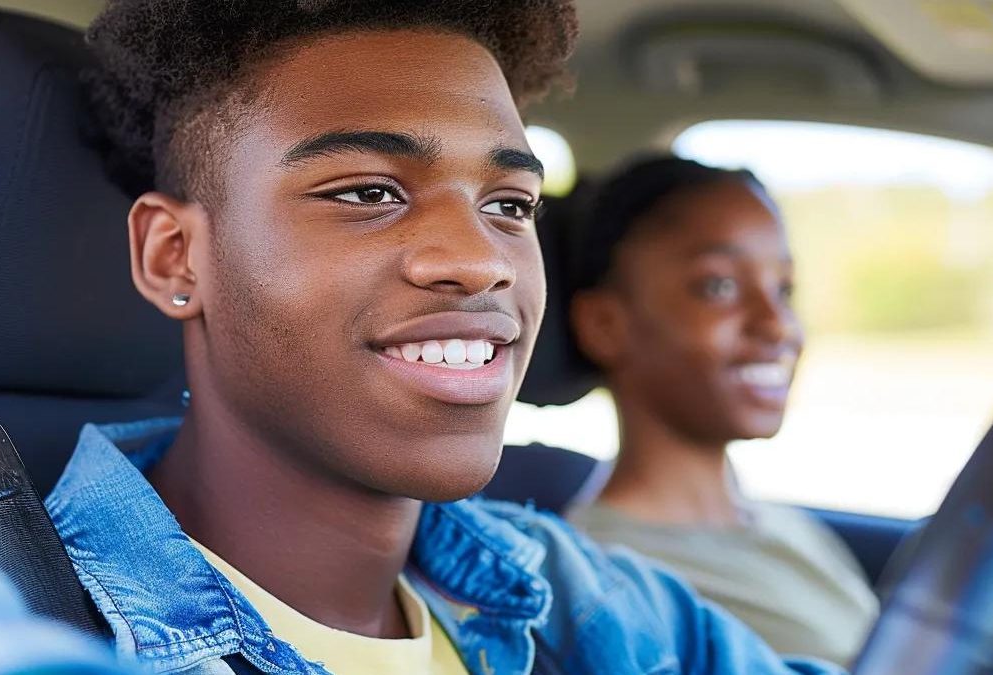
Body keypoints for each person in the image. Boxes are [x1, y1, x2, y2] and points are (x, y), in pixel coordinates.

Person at [44, 2, 845, 673]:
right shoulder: (46, 628)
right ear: (174, 254)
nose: (478, 261)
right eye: (368, 190)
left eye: (509, 205)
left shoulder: (571, 592)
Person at [566, 156, 879, 667]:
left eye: (783, 289)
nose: (778, 326)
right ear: (603, 323)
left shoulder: (786, 526)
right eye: (719, 287)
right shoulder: (606, 579)